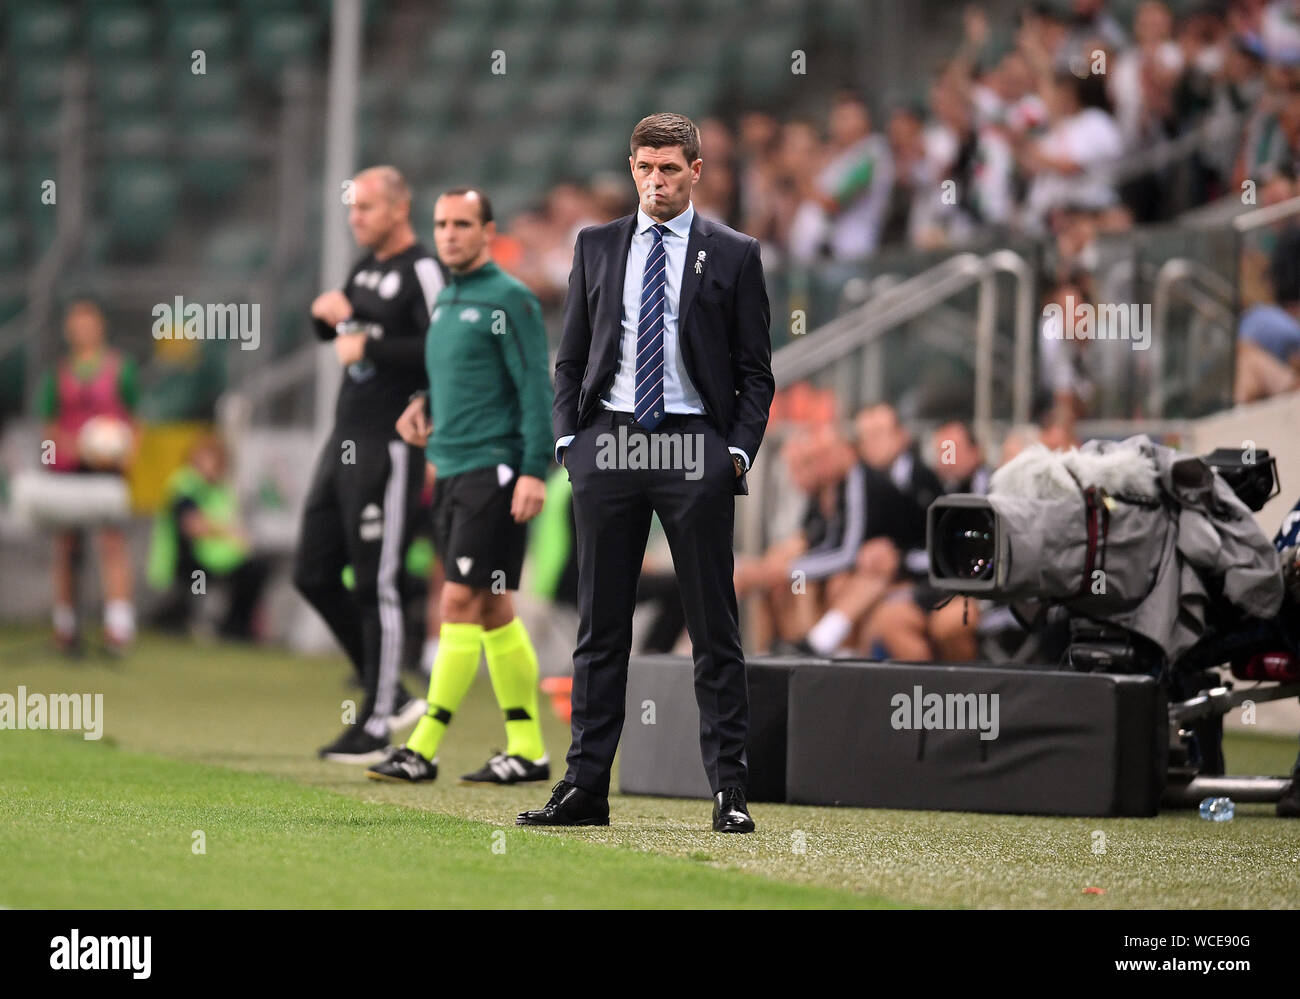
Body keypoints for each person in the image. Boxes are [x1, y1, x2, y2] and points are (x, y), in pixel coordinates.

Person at [517, 113, 775, 832]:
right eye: (644, 168)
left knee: (712, 622)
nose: (655, 181)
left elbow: (757, 373)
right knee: (601, 626)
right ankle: (585, 787)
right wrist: (574, 442)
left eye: (669, 169)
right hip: (611, 442)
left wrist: (735, 453)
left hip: (694, 445)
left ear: (696, 170)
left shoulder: (734, 253)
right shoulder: (596, 245)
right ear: (632, 168)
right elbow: (570, 357)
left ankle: (729, 789)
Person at [369, 187, 554, 786]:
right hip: (450, 471)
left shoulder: (511, 298)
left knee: (455, 602)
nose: (448, 234)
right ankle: (527, 748)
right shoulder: (448, 299)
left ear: (488, 230)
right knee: (493, 608)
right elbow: (460, 376)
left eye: (462, 224)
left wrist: (532, 470)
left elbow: (535, 391)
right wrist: (423, 402)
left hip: (492, 472)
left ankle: (422, 748)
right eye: (441, 224)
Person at [296, 166, 445, 762]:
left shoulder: (422, 269)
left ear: (397, 209)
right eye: (353, 208)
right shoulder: (365, 268)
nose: (355, 218)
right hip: (344, 438)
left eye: (364, 208)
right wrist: (323, 315)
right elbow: (346, 331)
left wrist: (374, 347)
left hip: (389, 443)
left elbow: (445, 345)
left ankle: (379, 718)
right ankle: (392, 690)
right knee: (312, 572)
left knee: (375, 581)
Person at [35, 299, 139, 655]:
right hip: (68, 468)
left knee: (111, 543)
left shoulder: (120, 369)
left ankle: (119, 626)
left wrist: (124, 453)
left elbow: (134, 422)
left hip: (107, 469)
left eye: (88, 323)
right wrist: (65, 450)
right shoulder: (57, 374)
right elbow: (48, 431)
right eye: (75, 324)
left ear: (100, 327)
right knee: (66, 546)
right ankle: (65, 626)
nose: (82, 330)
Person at [147, 433, 270, 640]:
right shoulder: (185, 485)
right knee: (199, 579)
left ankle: (236, 626)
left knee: (255, 570)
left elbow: (233, 522)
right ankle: (191, 620)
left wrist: (238, 539)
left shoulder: (222, 488)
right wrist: (228, 533)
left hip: (220, 556)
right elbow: (192, 525)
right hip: (188, 556)